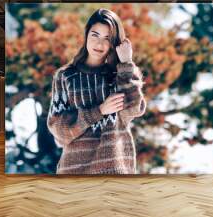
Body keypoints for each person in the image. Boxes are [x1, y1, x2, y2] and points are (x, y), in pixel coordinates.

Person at [47, 8, 146, 174]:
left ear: (114, 43)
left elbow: (134, 109)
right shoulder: (65, 76)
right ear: (86, 35)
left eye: (107, 38)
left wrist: (127, 64)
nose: (99, 44)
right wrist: (99, 111)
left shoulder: (120, 74)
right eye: (95, 35)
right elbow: (59, 130)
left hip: (115, 170)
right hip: (75, 172)